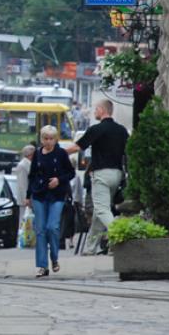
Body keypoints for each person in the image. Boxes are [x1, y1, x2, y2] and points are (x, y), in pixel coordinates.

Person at [66, 98, 129, 255]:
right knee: (99, 212)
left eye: (95, 109)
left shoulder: (96, 129)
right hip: (117, 174)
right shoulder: (122, 130)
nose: (94, 112)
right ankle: (90, 248)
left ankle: (122, 234)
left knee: (101, 210)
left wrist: (57, 151)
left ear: (102, 110)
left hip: (101, 173)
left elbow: (77, 147)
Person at [25, 125, 75, 277]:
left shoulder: (60, 154)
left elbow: (71, 172)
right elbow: (32, 175)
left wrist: (59, 180)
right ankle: (41, 266)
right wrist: (28, 196)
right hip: (39, 194)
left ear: (56, 139)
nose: (48, 142)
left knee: (52, 227)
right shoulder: (37, 154)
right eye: (45, 138)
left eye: (51, 139)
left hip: (57, 195)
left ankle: (54, 257)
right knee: (40, 230)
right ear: (41, 139)